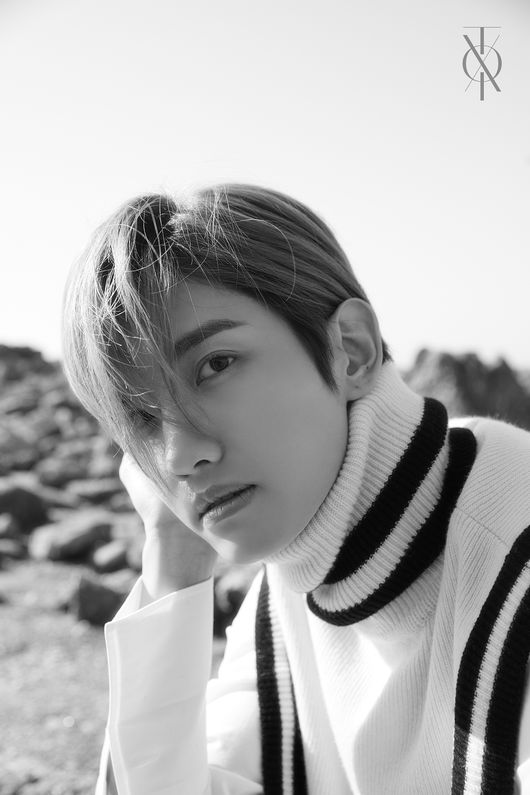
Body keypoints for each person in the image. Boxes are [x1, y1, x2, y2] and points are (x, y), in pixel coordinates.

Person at [61, 184, 530, 795]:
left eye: (215, 365)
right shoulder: (288, 588)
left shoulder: (512, 543)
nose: (178, 456)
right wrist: (173, 559)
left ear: (351, 350)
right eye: (143, 417)